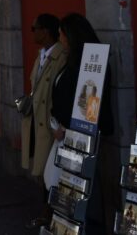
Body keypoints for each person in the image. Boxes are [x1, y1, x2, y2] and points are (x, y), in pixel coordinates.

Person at [48, 13, 114, 232]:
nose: (59, 39)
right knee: (64, 188)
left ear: (71, 36)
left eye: (61, 35)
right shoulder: (70, 61)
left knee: (83, 192)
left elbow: (91, 106)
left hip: (81, 138)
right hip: (65, 134)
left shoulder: (91, 65)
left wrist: (67, 127)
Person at [22, 13, 67, 229]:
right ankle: (47, 213)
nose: (32, 32)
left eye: (35, 28)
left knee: (52, 172)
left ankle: (50, 214)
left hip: (52, 125)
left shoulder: (60, 57)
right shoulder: (41, 55)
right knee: (43, 171)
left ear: (46, 31)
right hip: (37, 122)